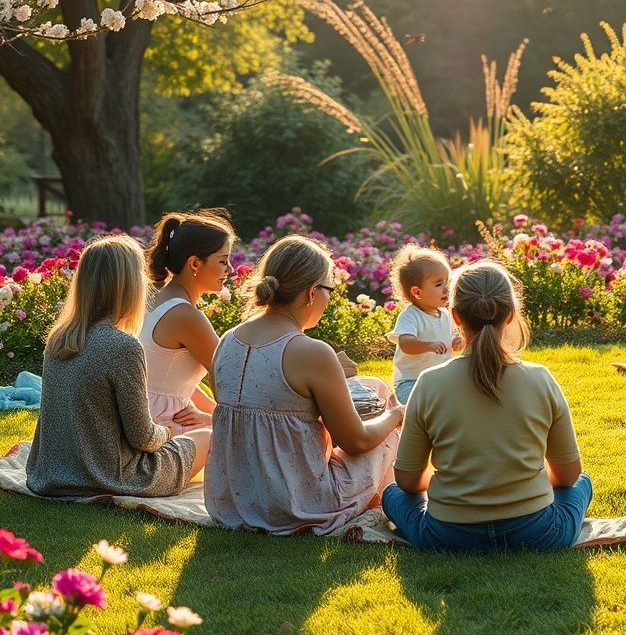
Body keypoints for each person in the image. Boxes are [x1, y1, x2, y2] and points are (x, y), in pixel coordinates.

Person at [382, 260, 593, 552]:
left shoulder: (428, 383)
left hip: (448, 536)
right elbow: (568, 476)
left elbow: (406, 481)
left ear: (455, 316)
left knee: (391, 494)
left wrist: (460, 485)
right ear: (509, 315)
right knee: (582, 483)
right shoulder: (540, 378)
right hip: (538, 533)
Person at [205, 235, 404, 535]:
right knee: (388, 426)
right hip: (299, 505)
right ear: (312, 293)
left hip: (233, 503)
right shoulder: (310, 352)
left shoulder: (227, 341)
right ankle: (391, 502)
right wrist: (396, 415)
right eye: (330, 290)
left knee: (373, 386)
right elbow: (356, 442)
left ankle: (378, 498)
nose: (329, 298)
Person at [27, 236, 205, 498]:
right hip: (113, 478)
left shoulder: (59, 340)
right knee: (207, 436)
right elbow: (142, 438)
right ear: (131, 286)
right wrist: (168, 431)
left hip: (51, 475)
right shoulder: (123, 346)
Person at [142, 210, 235, 451]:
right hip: (160, 430)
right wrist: (213, 420)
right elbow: (232, 381)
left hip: (146, 417)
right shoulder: (184, 316)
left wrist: (210, 415)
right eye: (223, 261)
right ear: (195, 263)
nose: (231, 269)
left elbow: (171, 383)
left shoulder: (155, 297)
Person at [386, 245, 464, 405]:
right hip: (411, 382)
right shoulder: (410, 316)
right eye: (438, 284)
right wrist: (429, 345)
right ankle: (398, 412)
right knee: (420, 406)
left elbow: (447, 338)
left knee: (457, 400)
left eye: (447, 282)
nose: (447, 288)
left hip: (440, 380)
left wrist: (455, 341)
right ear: (417, 292)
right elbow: (406, 344)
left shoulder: (445, 315)